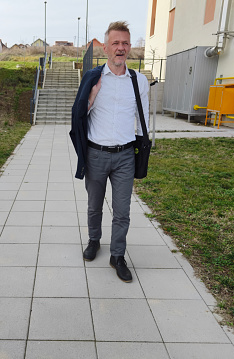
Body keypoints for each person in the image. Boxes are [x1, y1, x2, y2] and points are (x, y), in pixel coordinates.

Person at [70, 21, 149, 283]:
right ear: (105, 47)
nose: (120, 48)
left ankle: (117, 256)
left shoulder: (139, 81)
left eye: (125, 43)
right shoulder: (93, 77)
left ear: (130, 47)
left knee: (123, 210)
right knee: (94, 206)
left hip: (126, 155)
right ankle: (94, 240)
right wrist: (91, 97)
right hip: (96, 153)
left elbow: (143, 118)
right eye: (115, 43)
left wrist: (143, 146)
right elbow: (78, 116)